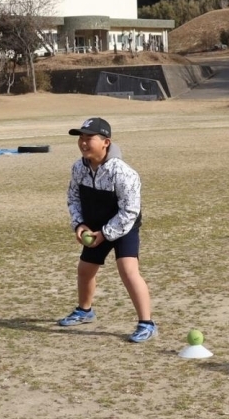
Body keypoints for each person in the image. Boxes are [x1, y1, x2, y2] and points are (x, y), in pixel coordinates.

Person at [58, 117, 156, 343]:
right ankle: (85, 310)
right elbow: (73, 197)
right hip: (93, 227)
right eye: (80, 138)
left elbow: (130, 211)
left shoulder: (123, 172)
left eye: (89, 138)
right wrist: (79, 224)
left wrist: (106, 234)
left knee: (128, 270)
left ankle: (146, 323)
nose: (83, 142)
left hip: (124, 226)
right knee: (85, 270)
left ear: (106, 142)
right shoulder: (78, 167)